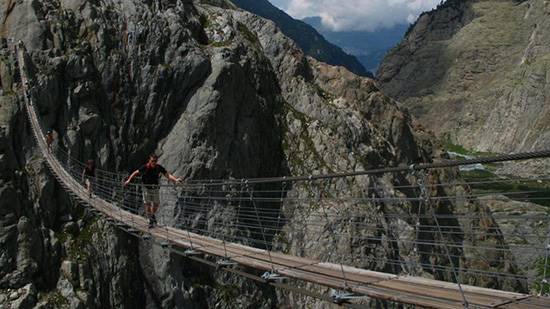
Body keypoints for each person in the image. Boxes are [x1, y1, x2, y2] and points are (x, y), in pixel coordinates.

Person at [124, 154, 181, 228]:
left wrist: (176, 180)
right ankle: (151, 220)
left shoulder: (158, 167)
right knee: (148, 205)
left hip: (155, 188)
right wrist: (129, 180)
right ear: (149, 161)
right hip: (146, 188)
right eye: (152, 161)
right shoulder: (145, 167)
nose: (154, 162)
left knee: (156, 204)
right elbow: (136, 172)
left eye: (155, 161)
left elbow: (167, 175)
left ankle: (151, 216)